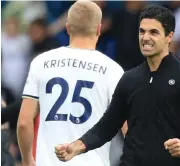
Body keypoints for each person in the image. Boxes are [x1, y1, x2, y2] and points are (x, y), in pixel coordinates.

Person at [55, 5, 180, 166]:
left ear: (169, 36)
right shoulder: (129, 79)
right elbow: (107, 125)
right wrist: (77, 146)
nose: (145, 38)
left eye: (153, 32)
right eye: (142, 31)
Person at [17, 1, 126, 166]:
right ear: (98, 28)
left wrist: (27, 160)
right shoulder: (113, 70)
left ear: (67, 28)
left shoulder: (41, 62)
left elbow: (24, 123)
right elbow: (129, 130)